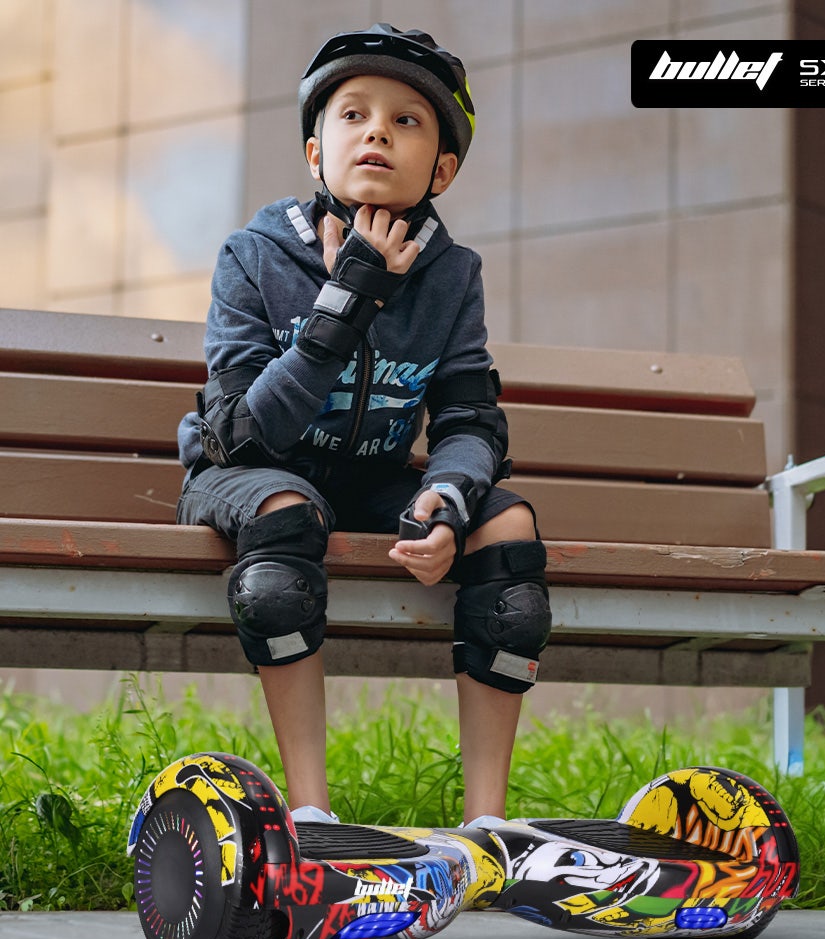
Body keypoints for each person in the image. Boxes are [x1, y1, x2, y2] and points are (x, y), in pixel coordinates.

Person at [175, 24, 551, 827]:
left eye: (406, 120)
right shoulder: (254, 255)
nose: (376, 130)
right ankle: (312, 814)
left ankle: (486, 827)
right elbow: (243, 433)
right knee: (285, 519)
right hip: (246, 477)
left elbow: (470, 418)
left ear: (440, 169)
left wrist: (448, 498)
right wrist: (348, 300)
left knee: (508, 529)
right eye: (353, 114)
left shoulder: (453, 275)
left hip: (371, 479)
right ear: (317, 154)